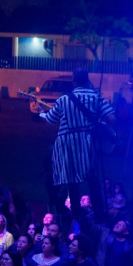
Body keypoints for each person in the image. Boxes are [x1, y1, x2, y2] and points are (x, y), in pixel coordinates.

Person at [38, 68, 115, 217]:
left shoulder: (63, 99)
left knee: (72, 179)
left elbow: (51, 119)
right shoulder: (95, 97)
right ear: (87, 80)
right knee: (92, 177)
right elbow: (112, 118)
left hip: (67, 144)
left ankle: (77, 212)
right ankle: (99, 213)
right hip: (88, 142)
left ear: (73, 80)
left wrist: (42, 113)